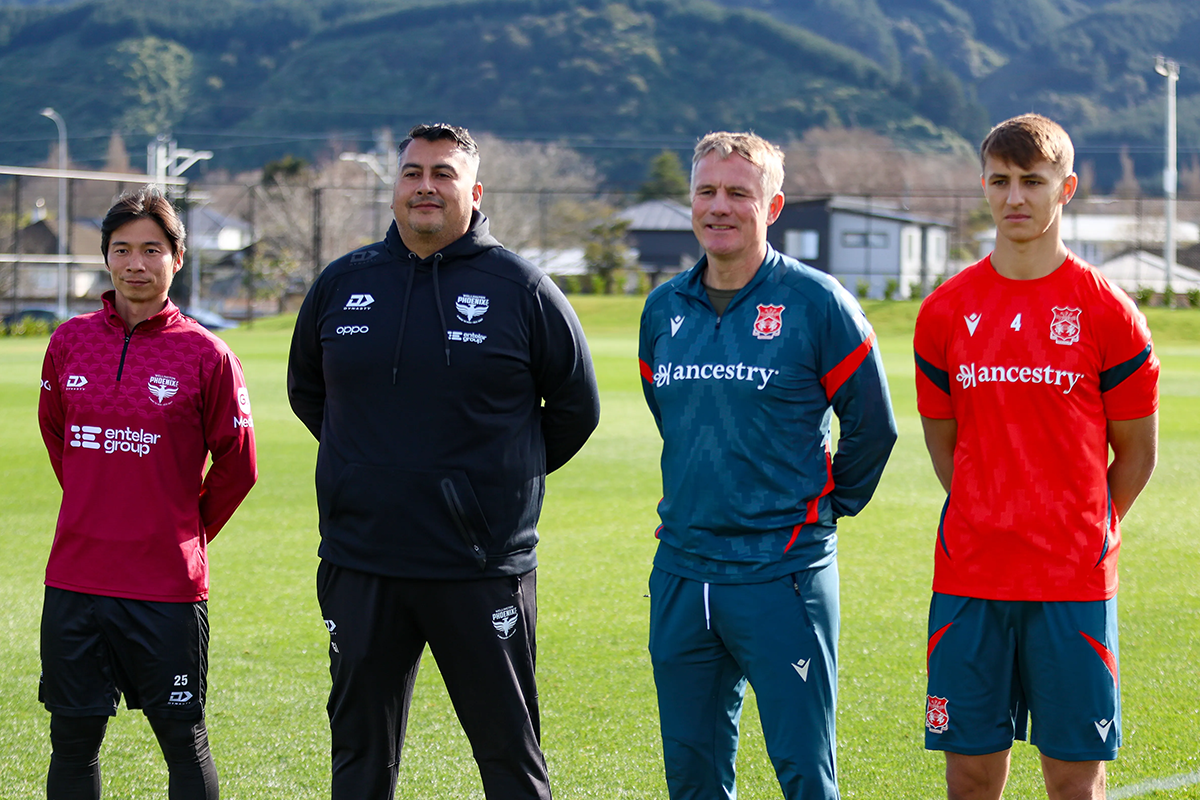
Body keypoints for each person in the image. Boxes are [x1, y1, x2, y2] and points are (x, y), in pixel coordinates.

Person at [287, 122, 600, 800]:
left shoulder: (521, 288)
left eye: (442, 174)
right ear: (395, 188)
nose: (424, 187)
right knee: (359, 760)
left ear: (474, 192)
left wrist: (488, 485)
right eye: (412, 173)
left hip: (478, 566)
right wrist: (367, 473)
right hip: (363, 559)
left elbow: (577, 409)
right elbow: (308, 393)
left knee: (510, 759)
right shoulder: (343, 282)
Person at [638, 131, 897, 800]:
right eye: (706, 191)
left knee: (805, 772)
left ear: (773, 206)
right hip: (683, 570)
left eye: (738, 193)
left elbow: (873, 425)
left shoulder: (818, 302)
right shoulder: (663, 309)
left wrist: (826, 507)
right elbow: (673, 416)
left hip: (782, 571)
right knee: (691, 775)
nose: (719, 206)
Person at [914, 114, 1160, 800]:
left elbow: (1137, 455)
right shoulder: (944, 312)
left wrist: (1082, 524)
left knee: (1074, 780)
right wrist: (988, 509)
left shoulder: (1108, 313)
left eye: (1032, 181)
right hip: (970, 576)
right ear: (983, 187)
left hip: (1072, 582)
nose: (1014, 196)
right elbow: (944, 445)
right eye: (999, 181)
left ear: (1066, 188)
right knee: (969, 776)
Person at [37, 187, 258, 800]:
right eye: (122, 249)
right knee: (72, 742)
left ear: (177, 258)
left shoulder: (207, 355)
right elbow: (58, 438)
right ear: (106, 257)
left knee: (183, 741)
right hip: (76, 580)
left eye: (152, 250)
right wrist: (100, 501)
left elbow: (238, 466)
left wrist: (181, 529)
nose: (136, 263)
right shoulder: (69, 342)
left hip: (165, 587)